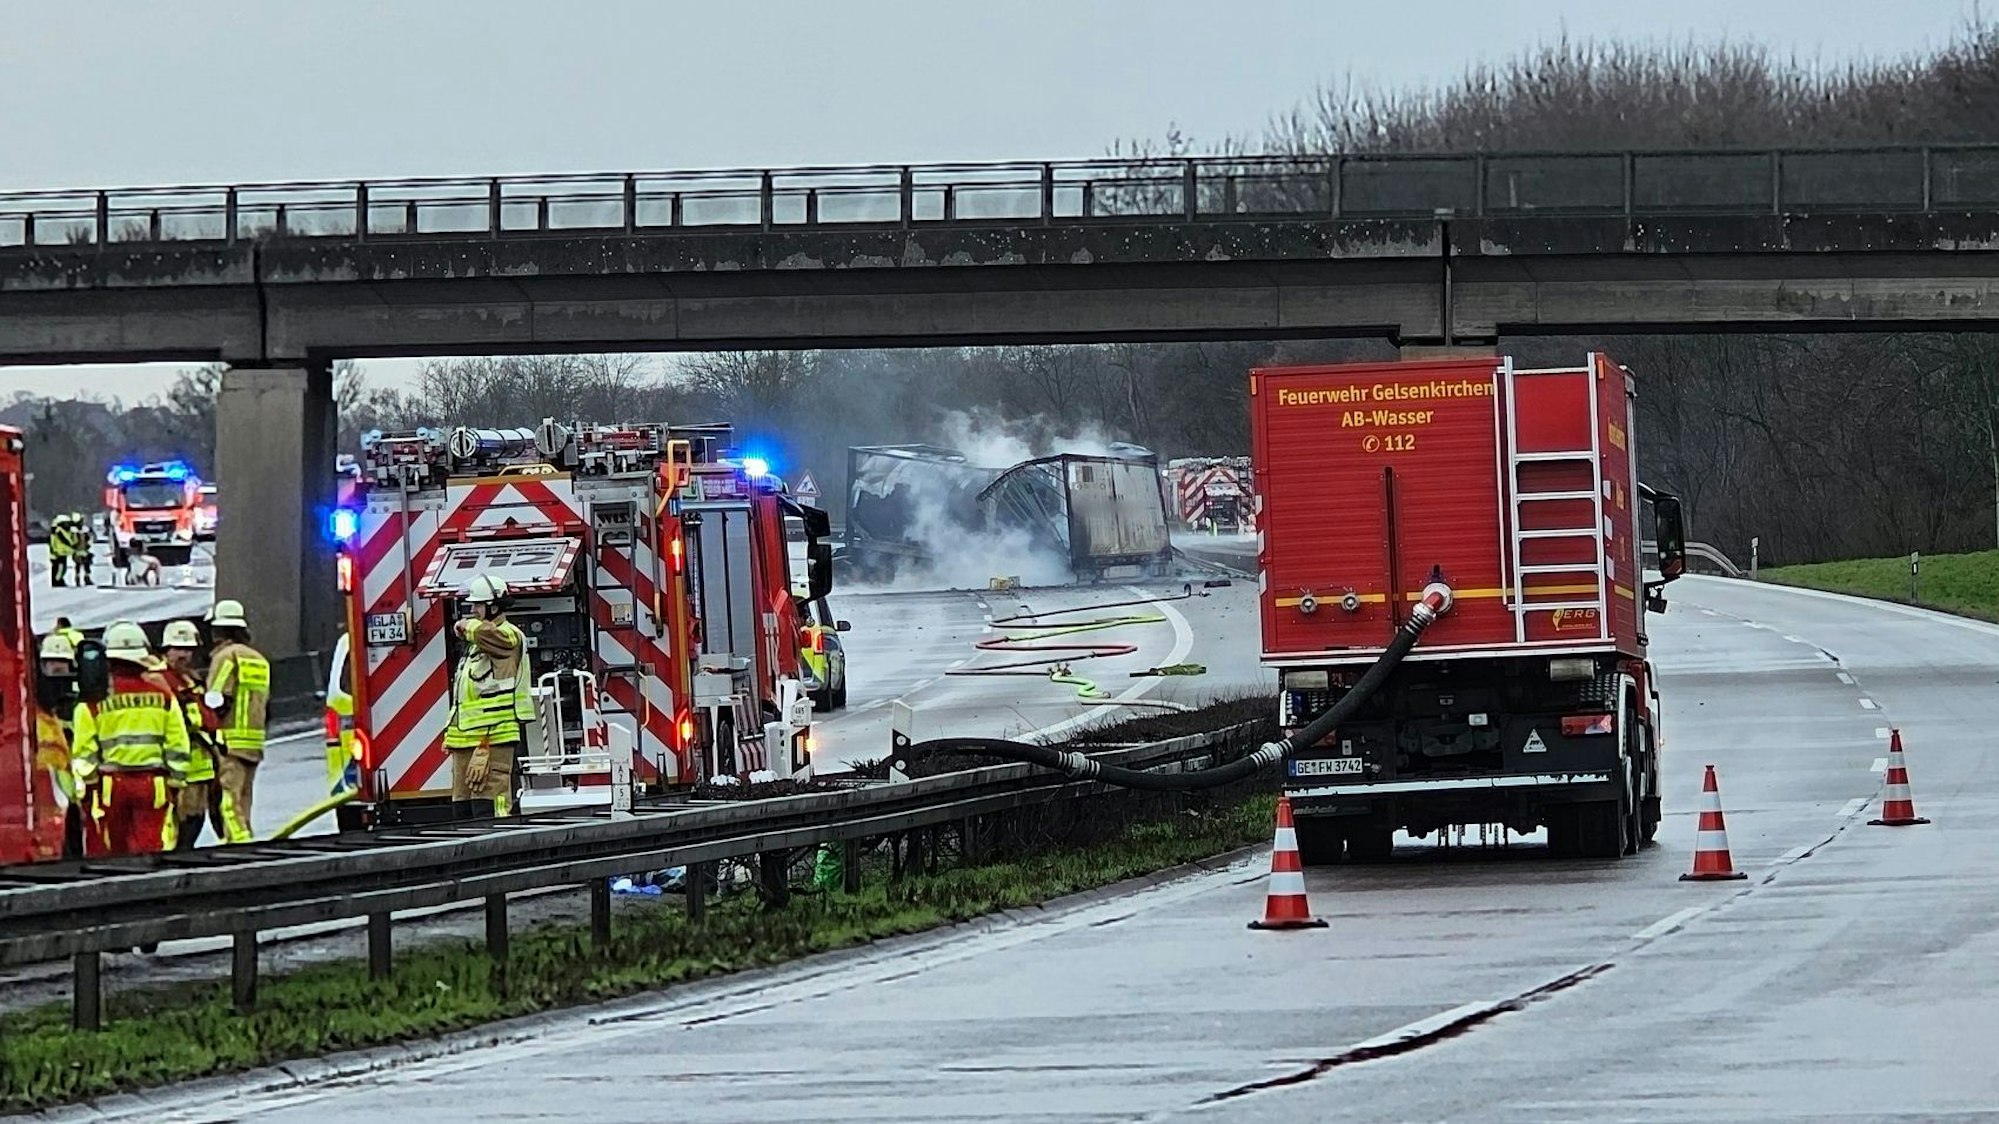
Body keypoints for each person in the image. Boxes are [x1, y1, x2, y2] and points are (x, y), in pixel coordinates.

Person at [70, 620, 189, 857]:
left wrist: (88, 787)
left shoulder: (91, 702)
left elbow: (84, 753)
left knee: (111, 850)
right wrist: (175, 783)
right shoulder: (163, 696)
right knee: (151, 847)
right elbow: (178, 745)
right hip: (153, 783)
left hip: (110, 784)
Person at [442, 574, 534, 818]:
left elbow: (488, 635)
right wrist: (451, 733)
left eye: (477, 606)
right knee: (462, 806)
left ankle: (499, 852)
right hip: (465, 738)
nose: (472, 611)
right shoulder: (475, 645)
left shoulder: (509, 635)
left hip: (495, 736)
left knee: (491, 804)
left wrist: (465, 625)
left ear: (494, 607)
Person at [205, 599, 269, 844]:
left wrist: (210, 729)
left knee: (228, 801)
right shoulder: (259, 659)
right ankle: (246, 837)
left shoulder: (226, 657)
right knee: (244, 800)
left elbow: (217, 698)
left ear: (219, 631)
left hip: (230, 740)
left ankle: (239, 846)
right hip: (253, 741)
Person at [160, 620, 223, 849]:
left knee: (196, 818)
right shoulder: (160, 680)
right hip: (175, 766)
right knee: (176, 824)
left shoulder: (193, 679)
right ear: (166, 650)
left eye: (188, 650)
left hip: (200, 764)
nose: (184, 655)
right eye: (178, 649)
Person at [32, 633, 82, 859]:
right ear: (42, 665)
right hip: (50, 793)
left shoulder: (78, 702)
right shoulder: (38, 705)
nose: (58, 668)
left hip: (74, 790)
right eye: (53, 662)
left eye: (62, 662)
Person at [47, 514, 74, 587]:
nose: (67, 525)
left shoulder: (59, 530)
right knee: (60, 568)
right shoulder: (59, 531)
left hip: (60, 552)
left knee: (59, 568)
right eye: (65, 523)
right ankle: (57, 581)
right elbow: (65, 540)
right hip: (58, 553)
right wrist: (72, 544)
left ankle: (58, 580)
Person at [71, 513, 93, 587]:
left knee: (84, 565)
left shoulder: (84, 530)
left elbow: (89, 539)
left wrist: (88, 545)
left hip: (82, 550)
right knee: (81, 565)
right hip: (79, 551)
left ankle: (84, 578)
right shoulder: (74, 531)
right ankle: (81, 579)